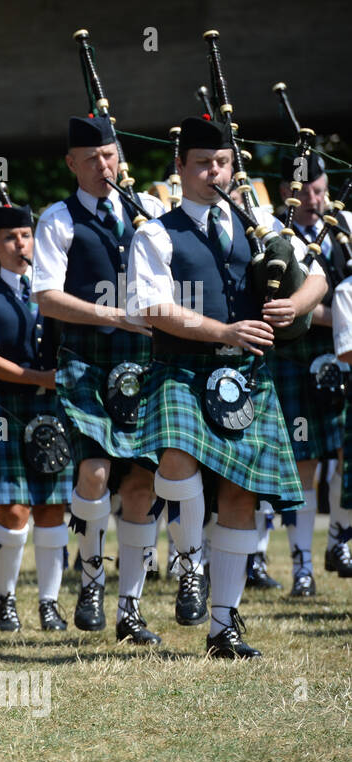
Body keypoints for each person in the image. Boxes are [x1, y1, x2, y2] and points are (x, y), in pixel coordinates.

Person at [128, 116, 326, 658]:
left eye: (221, 163)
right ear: (180, 168)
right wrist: (223, 330)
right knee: (175, 462)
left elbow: (318, 275)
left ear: (232, 166)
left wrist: (297, 305)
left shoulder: (258, 222)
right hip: (182, 368)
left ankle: (223, 628)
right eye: (201, 164)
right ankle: (190, 563)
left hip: (246, 374)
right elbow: (150, 307)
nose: (212, 173)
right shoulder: (154, 232)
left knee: (241, 496)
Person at [33, 116, 165, 643]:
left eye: (108, 156)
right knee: (93, 472)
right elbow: (46, 294)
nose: (102, 166)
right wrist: (113, 315)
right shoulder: (58, 219)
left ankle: (129, 607)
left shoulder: (149, 213)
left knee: (143, 482)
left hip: (147, 361)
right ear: (72, 164)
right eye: (90, 158)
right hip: (87, 359)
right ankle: (90, 577)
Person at [0, 203, 71, 631]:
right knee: (13, 510)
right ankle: (6, 598)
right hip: (4, 407)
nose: (20, 244)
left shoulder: (53, 291)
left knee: (52, 509)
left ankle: (49, 603)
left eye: (25, 235)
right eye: (9, 237)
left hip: (50, 407)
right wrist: (40, 376)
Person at [269, 154, 349, 589]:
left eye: (322, 190)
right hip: (295, 360)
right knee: (304, 462)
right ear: (287, 192)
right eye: (308, 191)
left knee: (344, 458)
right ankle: (301, 566)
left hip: (341, 358)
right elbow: (287, 309)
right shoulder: (277, 238)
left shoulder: (341, 231)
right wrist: (340, 315)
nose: (317, 200)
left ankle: (339, 540)